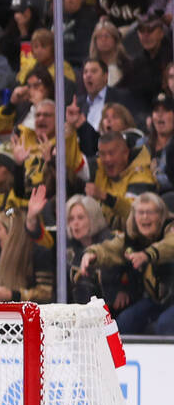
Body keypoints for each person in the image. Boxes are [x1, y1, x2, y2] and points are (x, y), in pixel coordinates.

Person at [82, 192, 174, 334]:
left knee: (165, 325)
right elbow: (112, 248)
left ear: (161, 215)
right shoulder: (132, 236)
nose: (145, 217)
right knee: (124, 323)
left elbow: (170, 245)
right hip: (157, 300)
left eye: (150, 212)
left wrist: (147, 255)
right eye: (140, 212)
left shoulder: (170, 228)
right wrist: (92, 254)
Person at [88, 129, 157, 228]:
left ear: (125, 153)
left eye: (111, 153)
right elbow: (75, 164)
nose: (107, 159)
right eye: (102, 154)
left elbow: (136, 213)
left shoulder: (142, 177)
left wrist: (106, 197)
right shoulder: (100, 169)